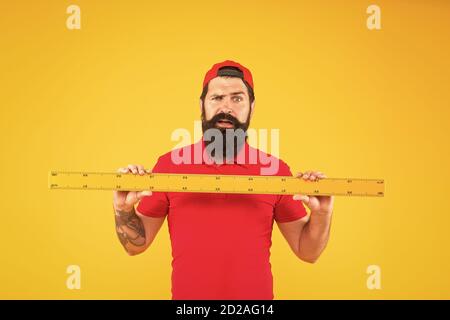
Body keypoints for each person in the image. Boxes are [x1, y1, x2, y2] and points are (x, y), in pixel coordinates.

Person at [112, 60, 334, 300]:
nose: (226, 108)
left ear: (252, 107)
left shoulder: (275, 171)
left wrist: (321, 215)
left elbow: (307, 252)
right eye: (217, 98)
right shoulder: (170, 166)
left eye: (237, 98)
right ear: (202, 105)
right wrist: (123, 209)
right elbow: (135, 247)